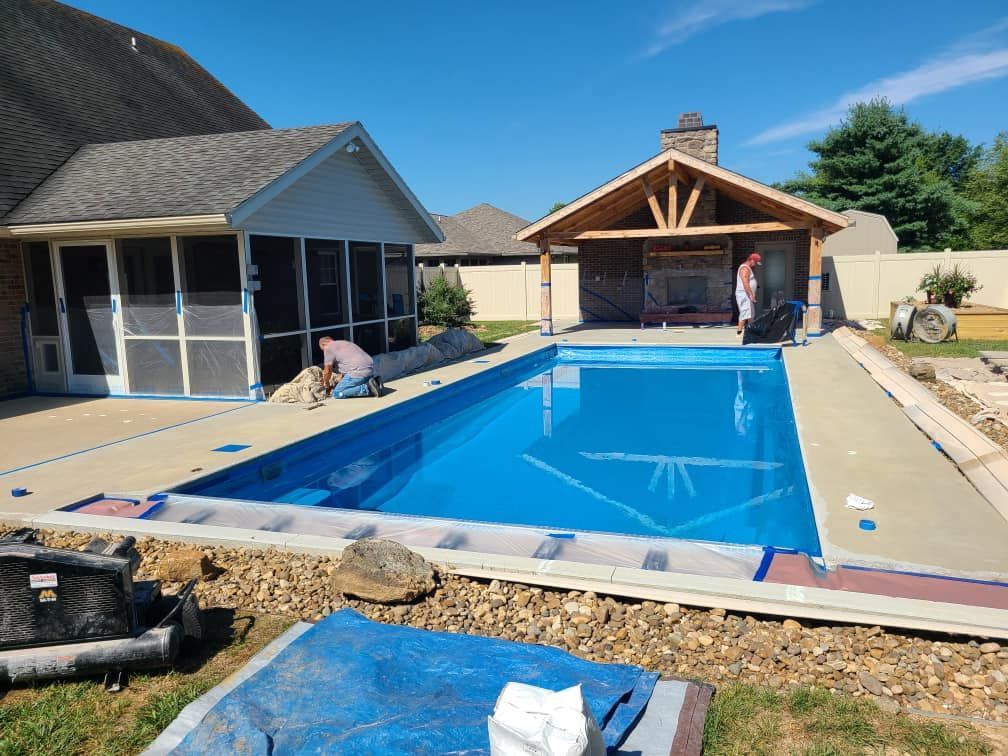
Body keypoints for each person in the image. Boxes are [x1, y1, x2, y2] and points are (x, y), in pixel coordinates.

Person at [735, 253, 761, 335]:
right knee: (745, 313)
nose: (755, 265)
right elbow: (745, 282)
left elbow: (749, 282)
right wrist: (751, 294)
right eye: (755, 262)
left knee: (750, 314)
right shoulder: (744, 268)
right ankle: (739, 333)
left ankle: (751, 332)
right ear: (752, 260)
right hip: (744, 294)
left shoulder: (748, 268)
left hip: (747, 294)